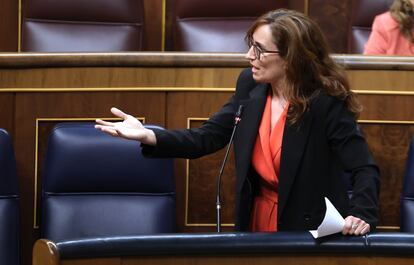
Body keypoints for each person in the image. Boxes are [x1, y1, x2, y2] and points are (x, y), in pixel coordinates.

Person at [96, 9, 380, 236]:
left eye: (259, 49)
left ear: (290, 58)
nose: (249, 57)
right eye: (250, 46)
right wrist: (149, 136)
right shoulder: (250, 88)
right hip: (255, 222)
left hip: (308, 231)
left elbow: (363, 167)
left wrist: (361, 214)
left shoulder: (325, 102)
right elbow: (206, 137)